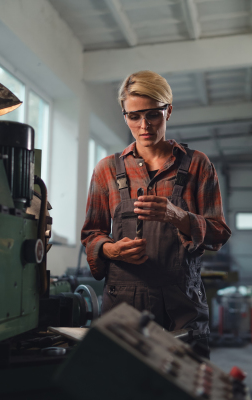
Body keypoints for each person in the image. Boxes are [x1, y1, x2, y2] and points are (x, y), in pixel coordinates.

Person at [81, 70, 231, 357]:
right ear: (124, 115)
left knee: (182, 386)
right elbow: (92, 234)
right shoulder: (107, 170)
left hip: (181, 306)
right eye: (134, 116)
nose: (144, 125)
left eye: (153, 114)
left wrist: (180, 217)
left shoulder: (198, 165)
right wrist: (111, 250)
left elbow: (219, 233)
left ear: (169, 111)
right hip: (123, 307)